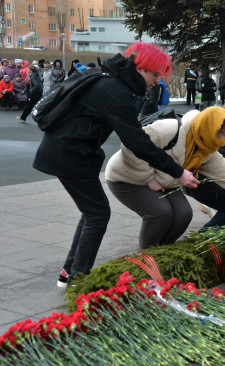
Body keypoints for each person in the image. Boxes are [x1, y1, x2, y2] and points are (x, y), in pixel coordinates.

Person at [33, 42, 197, 287]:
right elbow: (136, 141)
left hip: (75, 152)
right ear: (141, 68)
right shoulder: (115, 89)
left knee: (92, 212)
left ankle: (70, 272)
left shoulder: (113, 80)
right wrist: (178, 172)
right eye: (155, 74)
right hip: (69, 154)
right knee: (98, 214)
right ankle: (78, 279)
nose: (157, 81)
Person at [106, 107, 225, 249]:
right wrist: (149, 179)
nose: (222, 141)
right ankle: (146, 258)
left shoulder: (206, 148)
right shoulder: (169, 130)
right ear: (209, 127)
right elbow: (132, 146)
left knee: (183, 214)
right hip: (128, 176)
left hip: (164, 181)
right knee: (160, 213)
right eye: (220, 134)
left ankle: (163, 251)